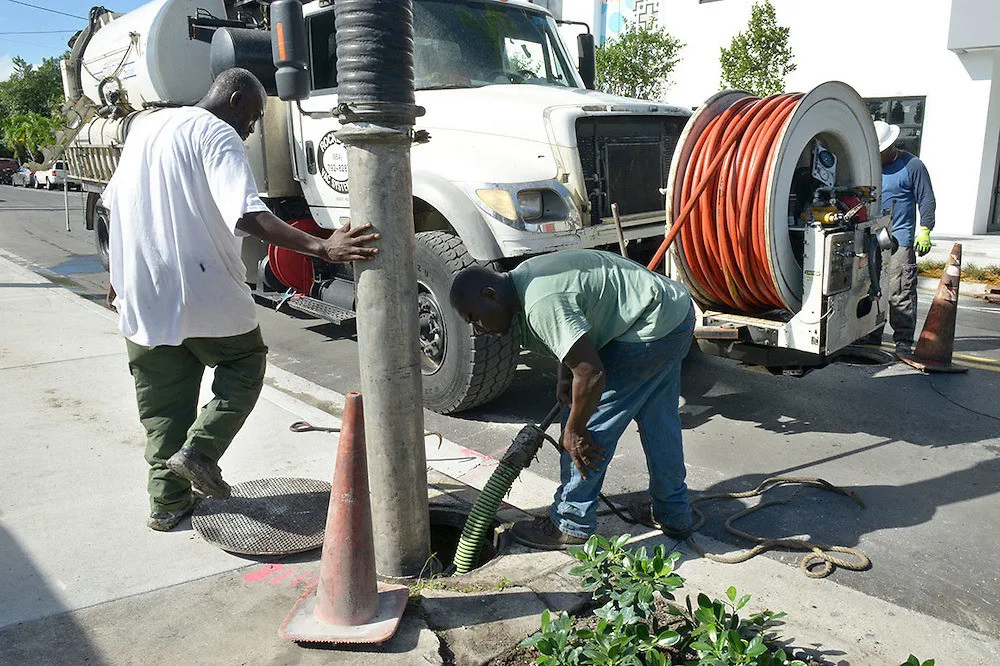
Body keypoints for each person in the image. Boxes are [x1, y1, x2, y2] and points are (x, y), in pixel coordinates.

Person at [104, 68, 380, 531]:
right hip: (204, 289)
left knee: (162, 408)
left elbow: (113, 207)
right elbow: (248, 213)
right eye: (252, 116)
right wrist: (322, 246)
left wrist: (116, 274)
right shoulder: (217, 133)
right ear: (233, 100)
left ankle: (167, 504)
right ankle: (201, 452)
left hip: (143, 294)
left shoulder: (145, 127)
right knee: (244, 365)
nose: (251, 128)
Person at [450, 249, 696, 549]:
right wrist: (565, 376)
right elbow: (576, 328)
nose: (479, 329)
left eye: (475, 318)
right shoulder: (524, 280)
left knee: (588, 429)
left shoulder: (541, 303)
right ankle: (674, 512)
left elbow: (591, 374)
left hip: (649, 325)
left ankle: (570, 523)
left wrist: (575, 429)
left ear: (490, 295)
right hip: (672, 311)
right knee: (660, 421)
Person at [870, 120, 937, 356]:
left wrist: (926, 228)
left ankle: (903, 341)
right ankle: (872, 333)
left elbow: (926, 198)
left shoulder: (912, 165)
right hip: (871, 239)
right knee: (871, 288)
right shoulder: (868, 164)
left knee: (900, 290)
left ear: (892, 145)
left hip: (899, 239)